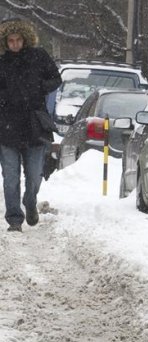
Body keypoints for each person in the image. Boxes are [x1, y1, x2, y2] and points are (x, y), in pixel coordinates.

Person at [0, 19, 61, 232]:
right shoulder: (2, 62)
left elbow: (56, 78)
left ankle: (30, 200)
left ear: (24, 39)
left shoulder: (39, 57)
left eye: (18, 40)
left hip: (34, 125)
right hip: (7, 126)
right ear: (5, 42)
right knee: (10, 176)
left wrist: (40, 87)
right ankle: (14, 219)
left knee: (34, 175)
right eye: (11, 41)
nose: (15, 44)